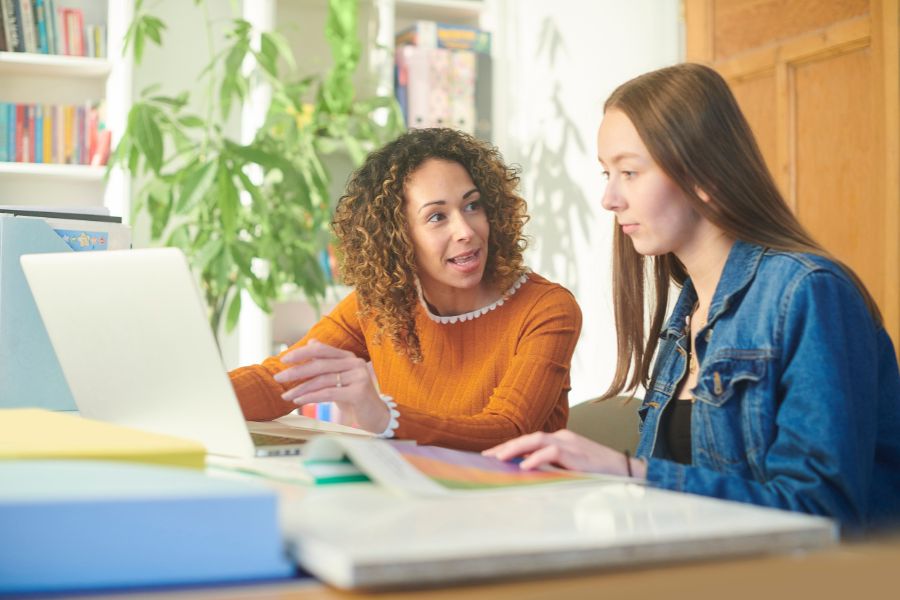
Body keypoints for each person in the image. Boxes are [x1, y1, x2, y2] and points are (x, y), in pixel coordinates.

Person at [485, 63, 900, 531]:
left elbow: (822, 513)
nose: (609, 199)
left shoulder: (809, 292)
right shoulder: (685, 316)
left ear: (704, 172)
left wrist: (628, 471)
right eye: (606, 173)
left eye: (629, 172)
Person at [229, 127, 582, 451]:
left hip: (521, 510)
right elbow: (280, 382)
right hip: (419, 505)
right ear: (397, 237)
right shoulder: (379, 306)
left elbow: (508, 431)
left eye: (472, 206)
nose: (466, 231)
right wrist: (190, 394)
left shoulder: (546, 308)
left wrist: (384, 417)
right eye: (437, 217)